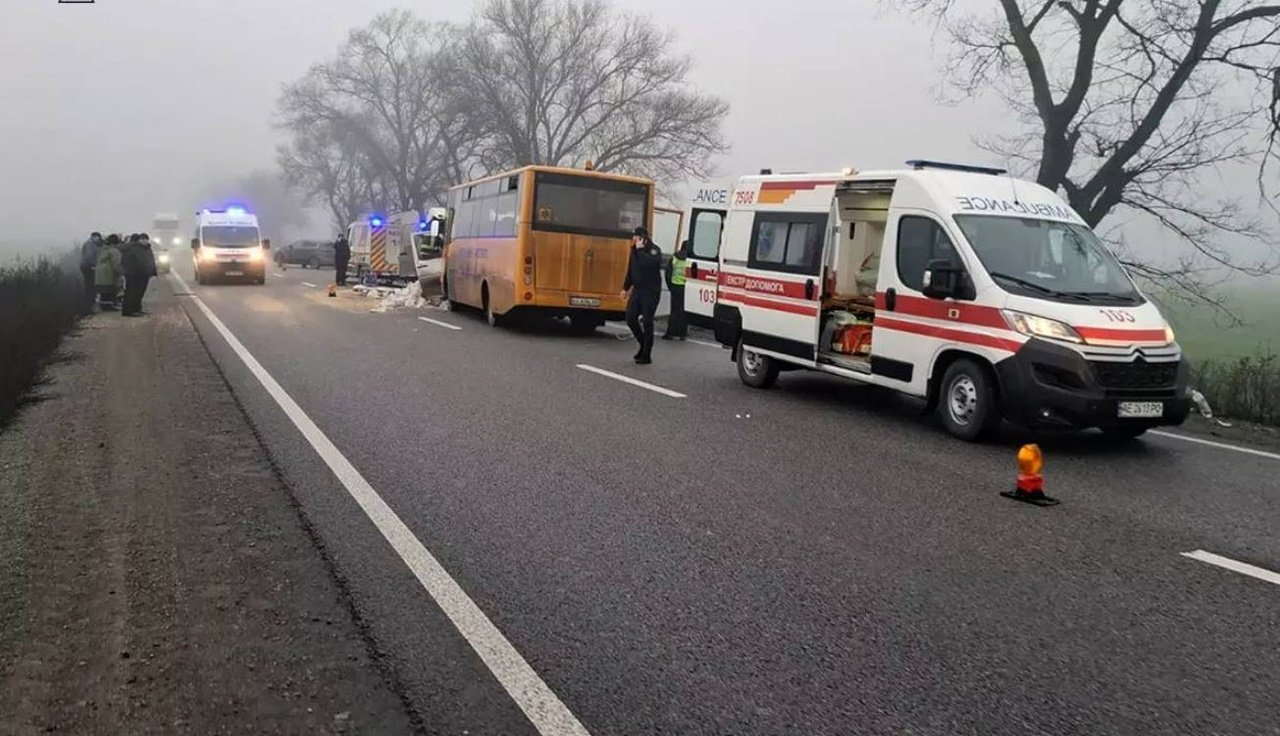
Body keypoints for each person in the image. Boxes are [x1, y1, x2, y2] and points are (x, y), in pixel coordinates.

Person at [622, 226, 663, 364]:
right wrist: (625, 288)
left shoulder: (654, 250)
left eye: (636, 237)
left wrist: (640, 250)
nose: (633, 239)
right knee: (630, 318)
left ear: (642, 238)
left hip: (651, 292)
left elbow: (648, 264)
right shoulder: (634, 251)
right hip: (638, 290)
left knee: (647, 321)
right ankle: (643, 344)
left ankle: (646, 354)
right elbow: (631, 269)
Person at [121, 234, 157, 317]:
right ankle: (129, 310)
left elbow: (150, 259)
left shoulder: (147, 248)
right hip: (135, 274)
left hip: (144, 274)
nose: (145, 240)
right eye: (143, 239)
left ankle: (137, 309)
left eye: (146, 239)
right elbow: (137, 261)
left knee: (139, 293)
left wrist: (152, 271)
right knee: (132, 292)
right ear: (139, 240)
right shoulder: (135, 249)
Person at [662, 240, 690, 341]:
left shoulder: (674, 257)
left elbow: (668, 272)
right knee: (684, 311)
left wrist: (670, 286)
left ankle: (670, 333)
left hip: (675, 286)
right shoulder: (690, 259)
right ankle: (682, 334)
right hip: (686, 288)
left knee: (674, 311)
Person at [95, 235, 123, 311]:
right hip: (108, 273)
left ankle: (103, 306)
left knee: (103, 292)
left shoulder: (102, 249)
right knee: (110, 291)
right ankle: (108, 307)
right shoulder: (114, 251)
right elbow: (116, 264)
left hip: (99, 273)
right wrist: (122, 273)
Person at [79, 232, 103, 313]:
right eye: (98, 238)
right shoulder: (90, 244)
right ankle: (88, 307)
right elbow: (89, 256)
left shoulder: (90, 243)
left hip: (86, 266)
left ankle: (88, 307)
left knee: (90, 287)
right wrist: (93, 265)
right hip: (88, 267)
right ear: (95, 237)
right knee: (90, 287)